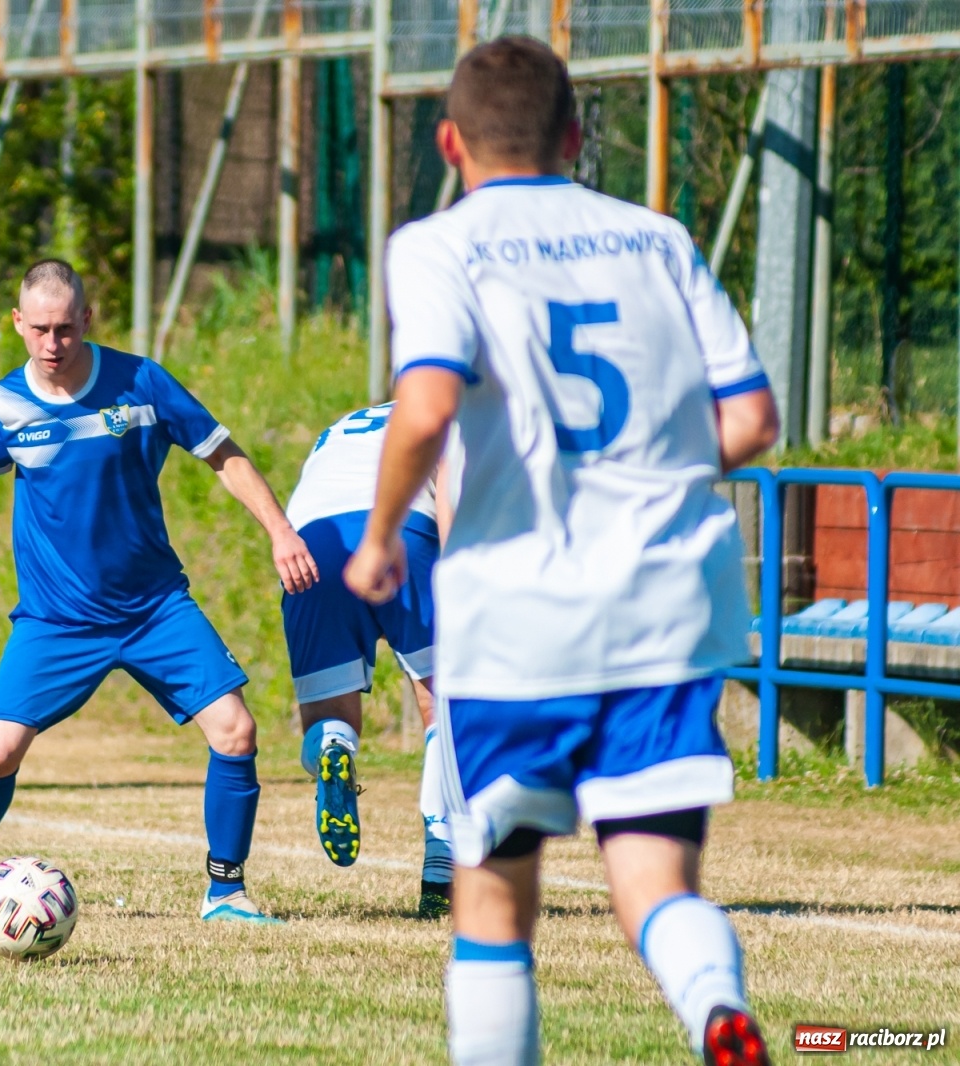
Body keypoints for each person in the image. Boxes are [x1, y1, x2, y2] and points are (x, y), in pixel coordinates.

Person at [344, 38, 780, 1066]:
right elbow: (752, 417)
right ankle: (714, 1004)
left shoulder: (439, 245)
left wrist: (377, 538)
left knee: (493, 906)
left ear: (449, 141)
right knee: (654, 885)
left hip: (518, 615)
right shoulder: (658, 239)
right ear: (577, 139)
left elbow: (429, 400)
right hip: (666, 606)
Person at [0, 259, 317, 923]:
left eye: (65, 328)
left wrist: (280, 530)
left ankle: (226, 892)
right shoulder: (4, 404)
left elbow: (221, 453)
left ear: (88, 319)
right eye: (39, 330)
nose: (53, 344)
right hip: (57, 620)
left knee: (235, 729)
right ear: (18, 325)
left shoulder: (141, 383)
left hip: (153, 607)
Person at [281, 402, 456, 917]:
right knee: (447, 710)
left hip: (314, 543)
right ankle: (442, 870)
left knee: (329, 720)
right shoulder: (453, 408)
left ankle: (333, 746)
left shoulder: (341, 425)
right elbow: (452, 487)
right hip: (404, 531)